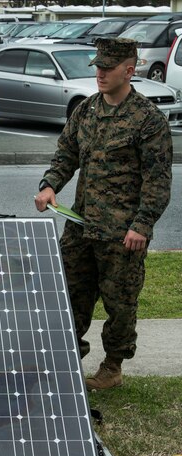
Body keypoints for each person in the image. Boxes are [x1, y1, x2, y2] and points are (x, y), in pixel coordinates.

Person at [35, 38, 172, 391]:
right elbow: (66, 153)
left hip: (122, 233)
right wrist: (50, 184)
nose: (99, 73)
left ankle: (112, 366)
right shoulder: (87, 110)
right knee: (66, 295)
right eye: (97, 66)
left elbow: (157, 181)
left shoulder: (147, 120)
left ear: (129, 70)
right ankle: (64, 360)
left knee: (120, 303)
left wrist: (141, 225)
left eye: (108, 68)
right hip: (81, 227)